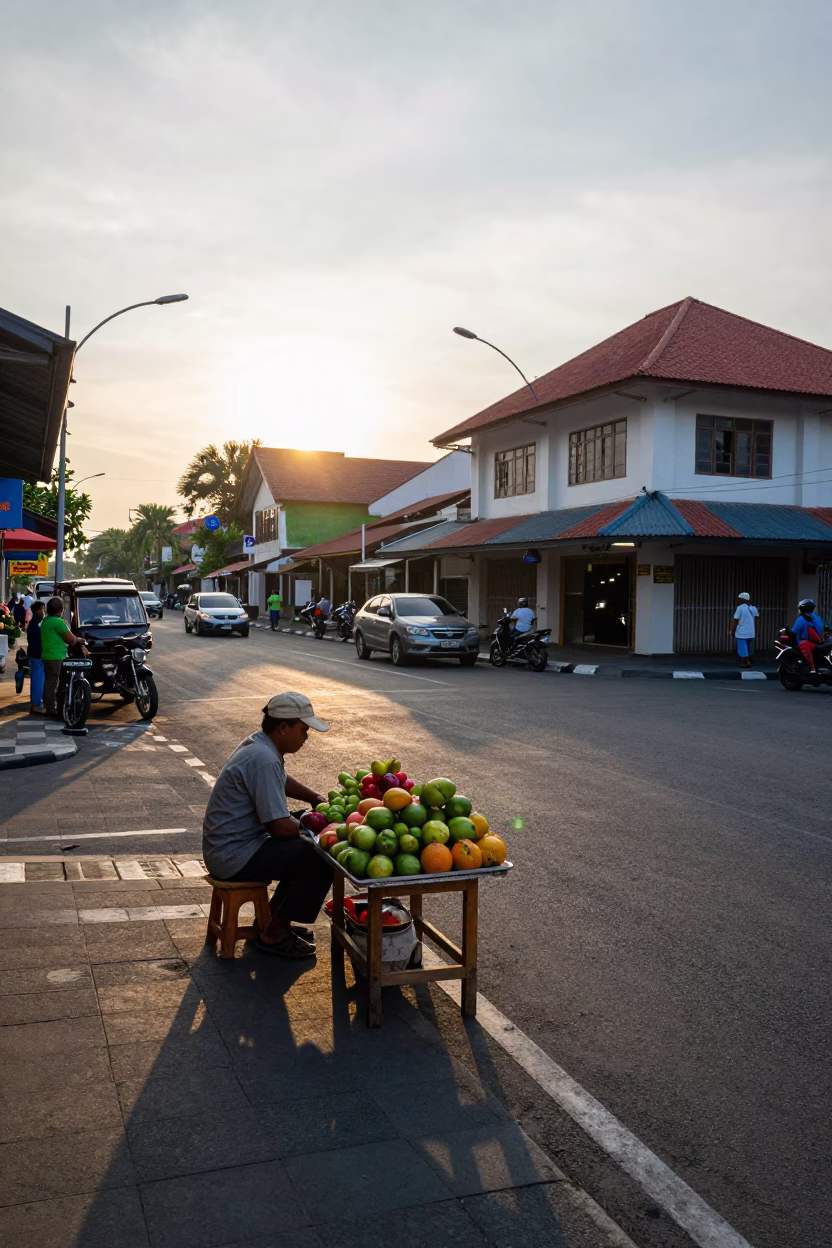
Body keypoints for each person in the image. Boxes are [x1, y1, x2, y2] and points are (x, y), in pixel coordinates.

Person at [202, 691, 334, 959]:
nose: (306, 737)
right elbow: (278, 827)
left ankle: (273, 918)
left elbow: (281, 779)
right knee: (318, 854)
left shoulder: (260, 745)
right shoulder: (264, 758)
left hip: (235, 846)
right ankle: (275, 932)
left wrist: (315, 800)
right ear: (284, 728)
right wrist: (320, 833)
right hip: (233, 856)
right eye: (304, 729)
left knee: (304, 838)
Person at [41, 597, 79, 717]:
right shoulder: (58, 622)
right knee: (54, 684)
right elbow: (72, 640)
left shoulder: (46, 621)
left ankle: (50, 706)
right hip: (56, 657)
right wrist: (80, 640)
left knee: (49, 683)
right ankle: (52, 709)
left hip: (47, 655)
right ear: (61, 609)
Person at [792, 598, 825, 674]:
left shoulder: (801, 619)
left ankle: (812, 668)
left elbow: (794, 632)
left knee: (803, 645)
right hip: (819, 641)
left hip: (808, 642)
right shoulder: (817, 617)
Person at [729, 591, 759, 668]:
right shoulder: (754, 608)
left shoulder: (740, 608)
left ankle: (746, 662)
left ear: (742, 599)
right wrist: (754, 629)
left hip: (742, 632)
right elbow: (756, 620)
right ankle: (749, 659)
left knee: (742, 647)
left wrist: (731, 630)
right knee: (748, 647)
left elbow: (735, 620)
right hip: (751, 632)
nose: (737, 600)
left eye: (739, 599)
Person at [26, 599, 46, 713]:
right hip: (38, 654)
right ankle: (36, 705)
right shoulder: (39, 623)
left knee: (39, 679)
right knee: (38, 680)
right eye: (42, 609)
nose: (44, 611)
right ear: (38, 610)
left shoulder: (35, 622)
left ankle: (38, 703)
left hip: (35, 654)